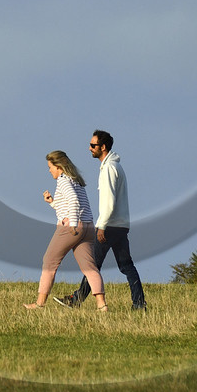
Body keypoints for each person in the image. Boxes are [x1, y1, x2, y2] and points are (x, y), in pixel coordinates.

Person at [58, 130, 147, 310]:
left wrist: (102, 227)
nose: (89, 148)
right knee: (126, 265)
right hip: (121, 225)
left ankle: (76, 300)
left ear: (103, 147)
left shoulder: (108, 169)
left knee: (92, 265)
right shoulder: (115, 166)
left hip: (110, 226)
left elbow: (109, 202)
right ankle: (139, 304)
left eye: (93, 145)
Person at [25, 151, 108, 311]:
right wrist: (53, 202)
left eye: (50, 167)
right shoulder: (76, 181)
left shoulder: (63, 181)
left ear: (58, 166)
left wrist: (73, 224)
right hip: (89, 227)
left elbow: (74, 202)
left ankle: (39, 304)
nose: (49, 171)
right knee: (90, 267)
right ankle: (102, 305)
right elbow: (69, 205)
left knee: (49, 261)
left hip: (72, 227)